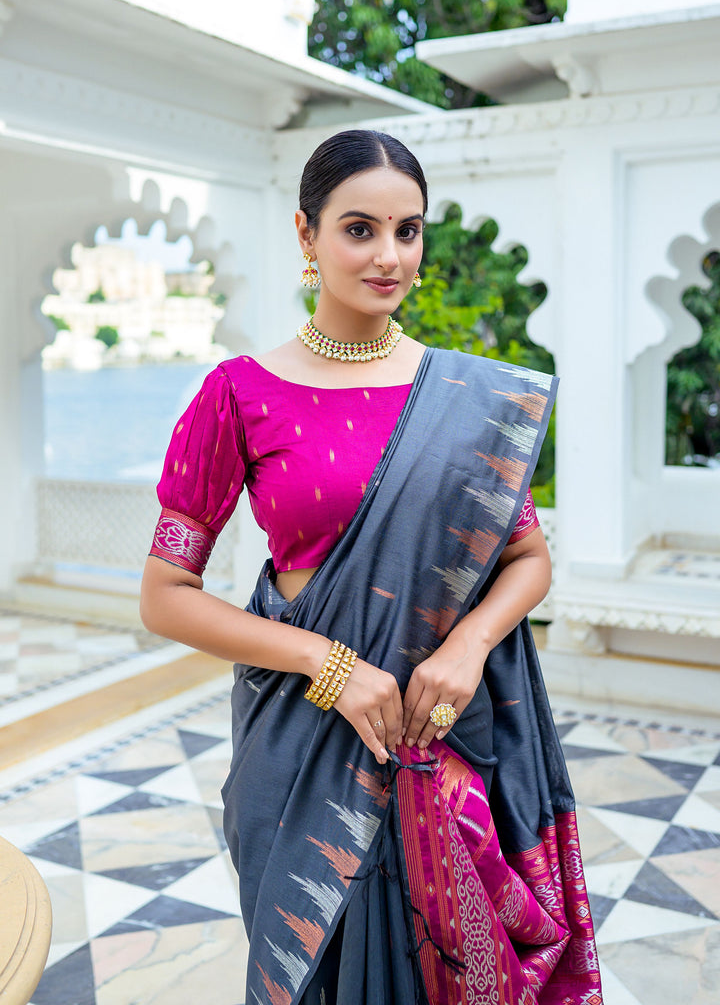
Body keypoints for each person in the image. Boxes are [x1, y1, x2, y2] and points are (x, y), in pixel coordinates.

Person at [141, 129, 603, 1005]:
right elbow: (166, 597)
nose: (389, 255)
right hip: (304, 747)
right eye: (360, 229)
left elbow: (529, 561)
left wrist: (467, 647)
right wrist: (329, 666)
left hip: (444, 743)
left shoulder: (474, 401)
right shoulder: (239, 395)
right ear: (307, 237)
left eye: (408, 230)